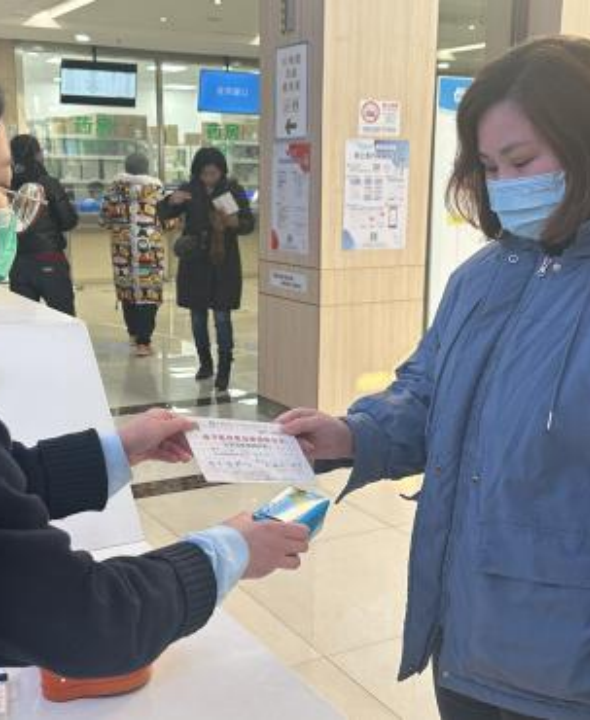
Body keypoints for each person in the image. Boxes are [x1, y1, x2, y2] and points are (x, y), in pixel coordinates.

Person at [0, 17, 309, 720]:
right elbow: (88, 622)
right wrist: (231, 547)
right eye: (2, 187)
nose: (10, 213)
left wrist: (118, 449)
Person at [280, 36, 590, 720]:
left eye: (522, 162)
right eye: (489, 167)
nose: (505, 185)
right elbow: (425, 391)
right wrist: (352, 434)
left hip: (566, 669)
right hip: (463, 637)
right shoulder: (481, 278)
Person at [159, 147, 255, 392]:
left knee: (222, 317)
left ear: (221, 171)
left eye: (213, 173)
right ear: (197, 172)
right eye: (204, 174)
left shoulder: (232, 190)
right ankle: (205, 362)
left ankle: (224, 369)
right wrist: (170, 201)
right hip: (195, 263)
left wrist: (234, 222)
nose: (209, 178)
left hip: (224, 262)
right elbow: (164, 213)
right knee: (197, 317)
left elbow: (248, 224)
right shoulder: (189, 189)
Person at [101, 153, 165, 357]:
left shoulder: (113, 190)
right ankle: (144, 342)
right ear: (147, 168)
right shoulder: (157, 191)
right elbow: (169, 220)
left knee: (127, 292)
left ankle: (134, 334)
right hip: (150, 252)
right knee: (148, 294)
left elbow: (104, 220)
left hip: (123, 252)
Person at [9, 134, 78, 316]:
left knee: (25, 322)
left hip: (17, 262)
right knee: (63, 319)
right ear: (37, 154)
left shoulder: (7, 185)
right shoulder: (48, 183)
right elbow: (68, 221)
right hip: (49, 259)